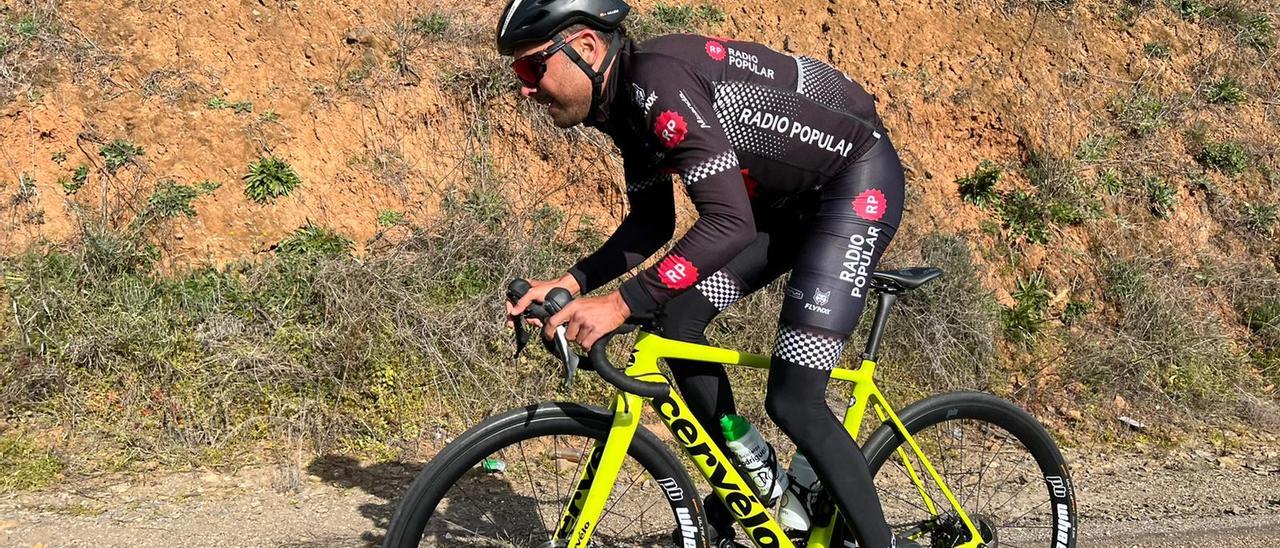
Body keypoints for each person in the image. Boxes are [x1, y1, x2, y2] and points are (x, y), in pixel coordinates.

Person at [497, 1, 909, 546]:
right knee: (677, 328)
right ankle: (761, 490)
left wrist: (620, 305)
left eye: (532, 68)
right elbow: (651, 224)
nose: (526, 88)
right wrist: (572, 283)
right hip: (786, 205)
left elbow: (730, 224)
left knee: (794, 398)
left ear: (589, 48)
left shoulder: (657, 81)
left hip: (854, 187)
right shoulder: (621, 102)